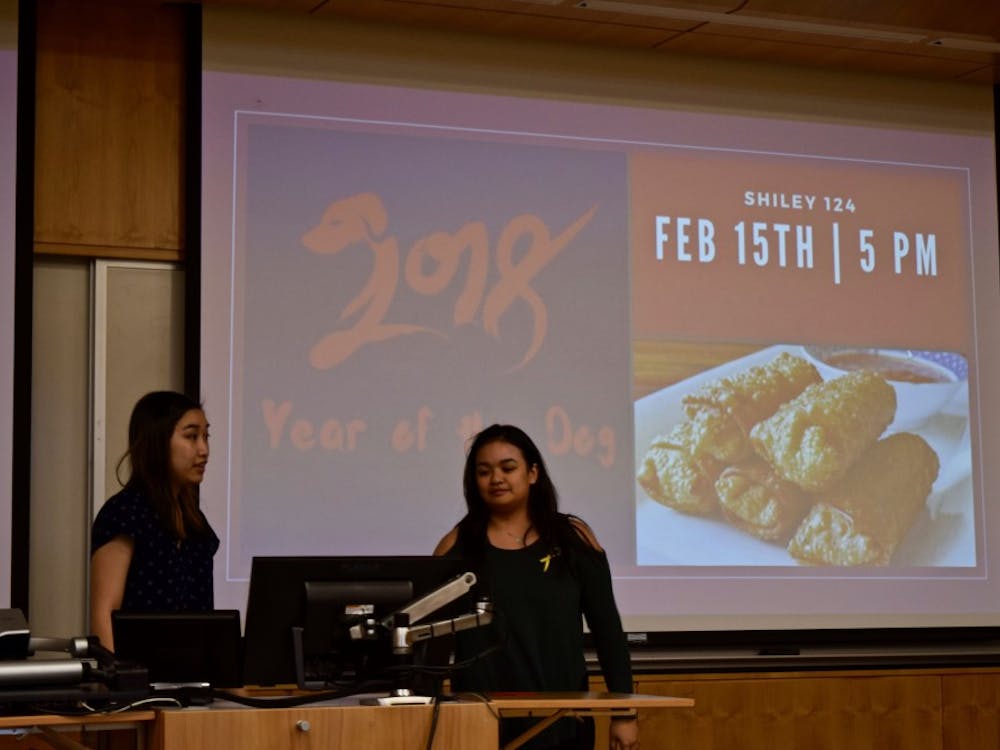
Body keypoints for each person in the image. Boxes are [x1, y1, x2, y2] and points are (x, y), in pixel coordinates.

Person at [434, 424, 640, 750]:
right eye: (484, 471)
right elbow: (432, 646)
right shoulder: (455, 547)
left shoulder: (573, 539)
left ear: (532, 474)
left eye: (508, 468)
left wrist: (625, 712)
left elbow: (608, 633)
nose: (496, 478)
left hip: (564, 719)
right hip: (478, 723)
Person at [89, 391, 218, 651]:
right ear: (157, 442)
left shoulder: (195, 522)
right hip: (137, 682)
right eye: (192, 436)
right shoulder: (125, 513)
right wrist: (122, 684)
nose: (204, 450)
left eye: (206, 436)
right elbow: (104, 616)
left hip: (191, 677)